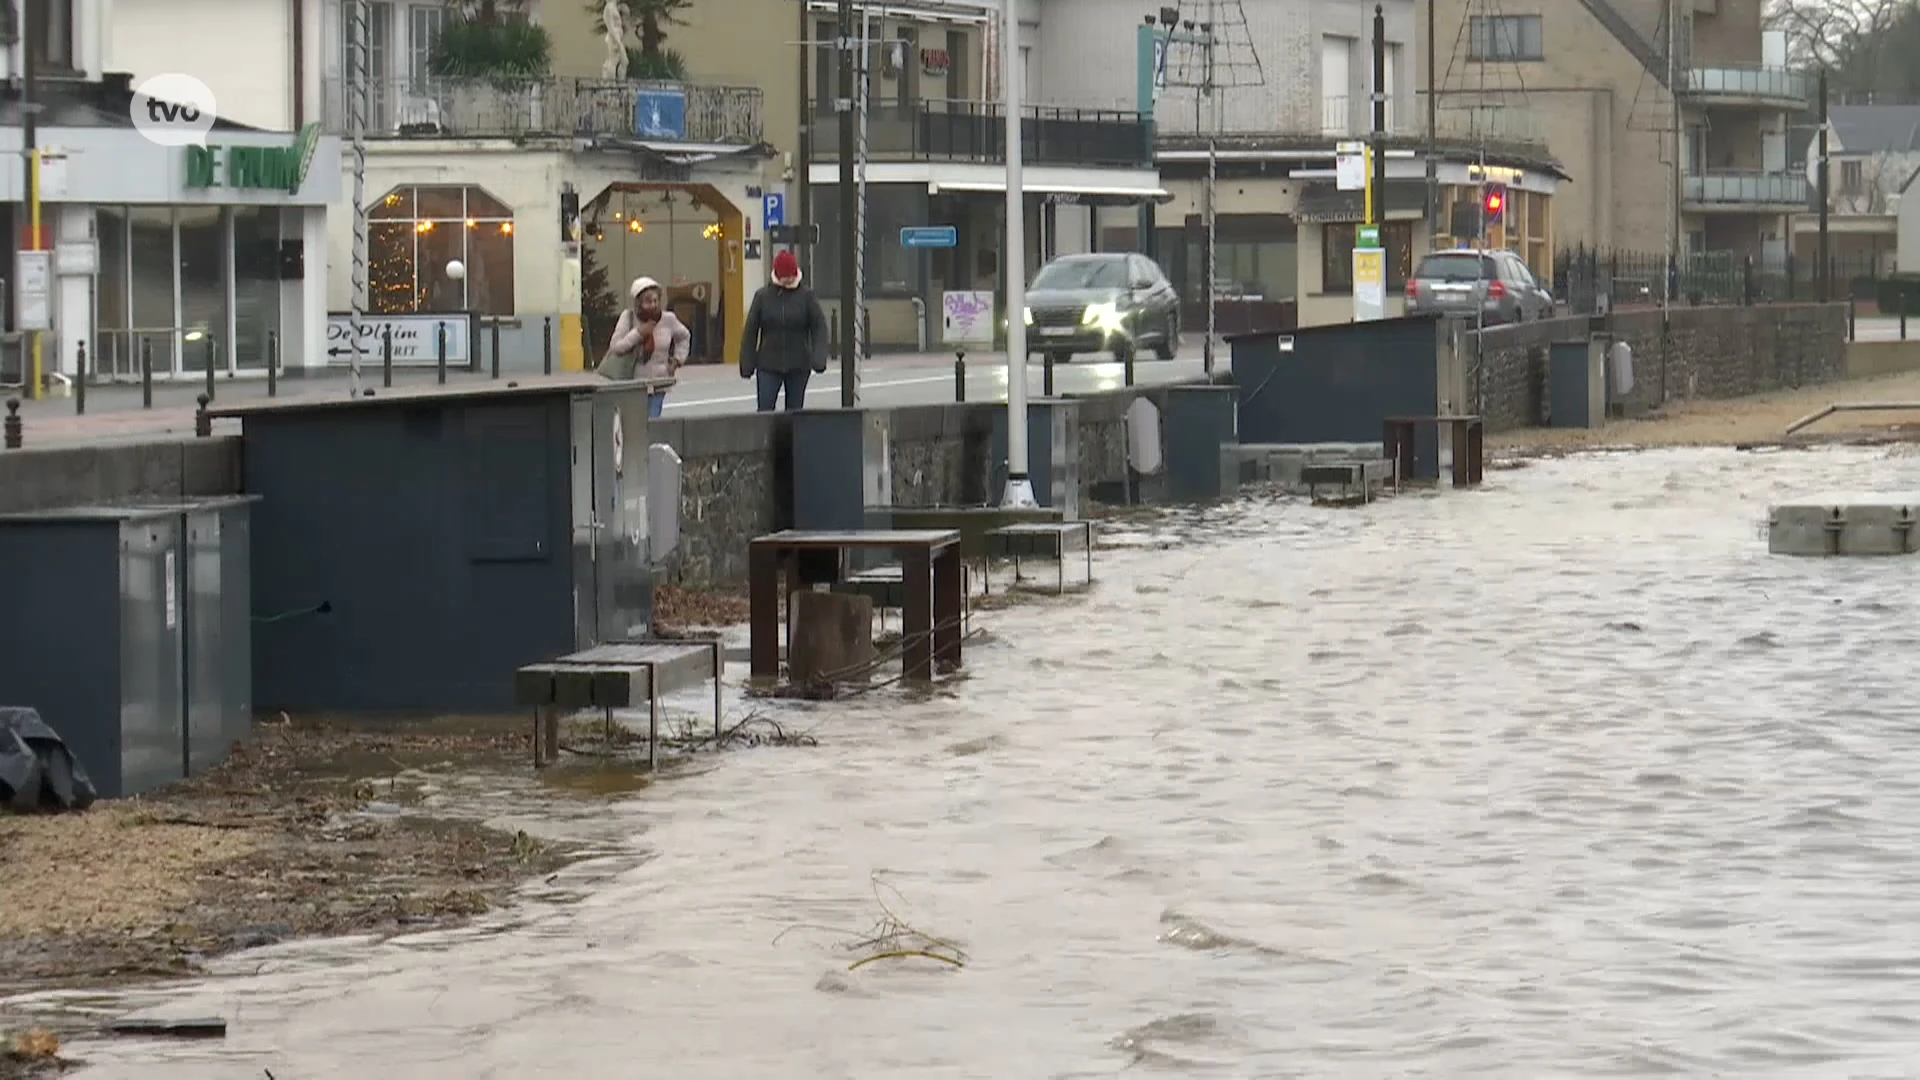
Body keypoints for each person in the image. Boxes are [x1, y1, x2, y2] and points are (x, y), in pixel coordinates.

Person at [740, 249, 827, 412]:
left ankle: (790, 438)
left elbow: (819, 326)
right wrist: (747, 363)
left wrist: (819, 358)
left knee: (794, 412)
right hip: (768, 363)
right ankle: (767, 438)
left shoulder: (806, 296)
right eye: (785, 277)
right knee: (765, 410)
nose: (788, 281)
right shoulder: (763, 296)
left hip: (798, 363)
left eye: (791, 277)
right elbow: (751, 331)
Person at [598, 276, 690, 418]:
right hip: (633, 384)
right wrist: (639, 333)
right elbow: (616, 347)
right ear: (638, 303)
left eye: (656, 301)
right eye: (648, 301)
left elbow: (684, 336)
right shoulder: (628, 317)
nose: (653, 305)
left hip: (659, 382)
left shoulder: (668, 319)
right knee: (634, 423)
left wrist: (677, 360)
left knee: (651, 421)